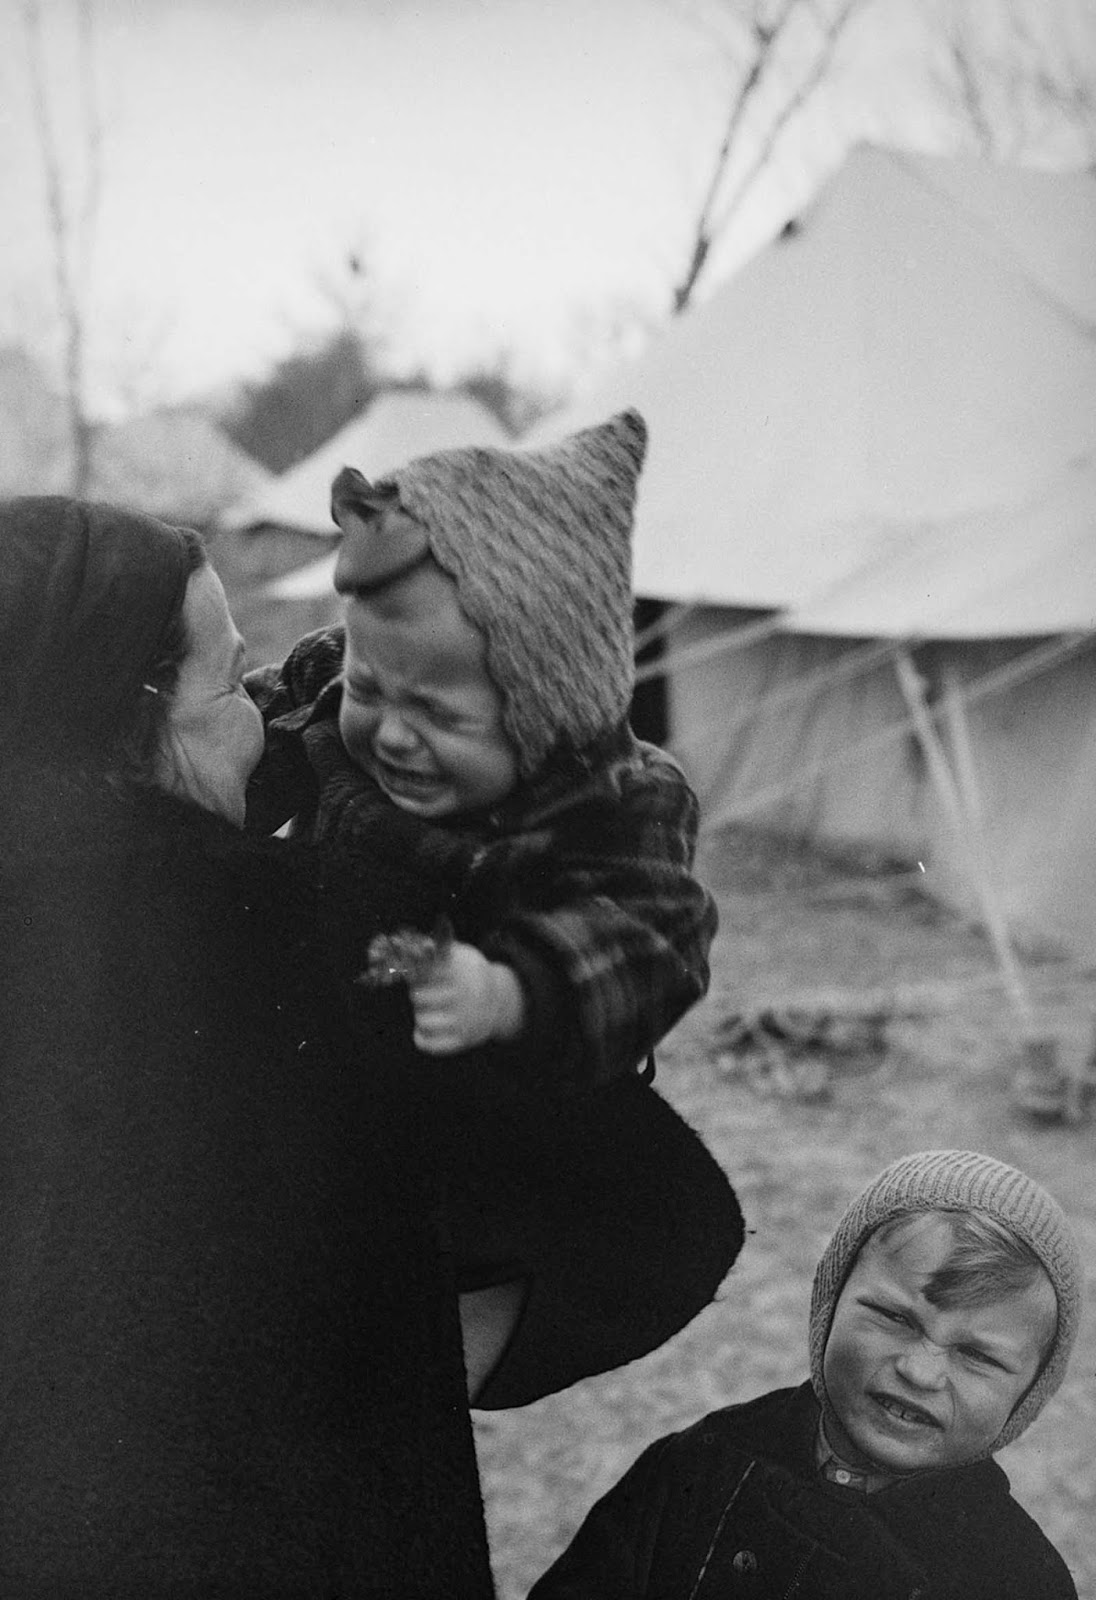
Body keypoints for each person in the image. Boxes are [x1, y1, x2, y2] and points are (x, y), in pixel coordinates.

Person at [0, 496, 497, 1597]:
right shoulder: (297, 943)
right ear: (132, 715)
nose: (262, 723)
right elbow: (642, 1221)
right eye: (233, 686)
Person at [243, 408, 741, 1407]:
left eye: (441, 715)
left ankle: (441, 1354)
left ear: (547, 708)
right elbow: (253, 734)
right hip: (333, 1021)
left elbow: (649, 934)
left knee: (609, 1224)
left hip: (491, 1053)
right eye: (374, 688)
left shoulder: (614, 798)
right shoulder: (341, 682)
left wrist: (513, 990)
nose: (389, 730)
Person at [529, 1149, 1084, 1600]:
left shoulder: (1018, 1578)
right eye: (894, 1317)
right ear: (829, 1303)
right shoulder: (701, 1466)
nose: (919, 1371)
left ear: (1028, 1396)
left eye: (978, 1356)